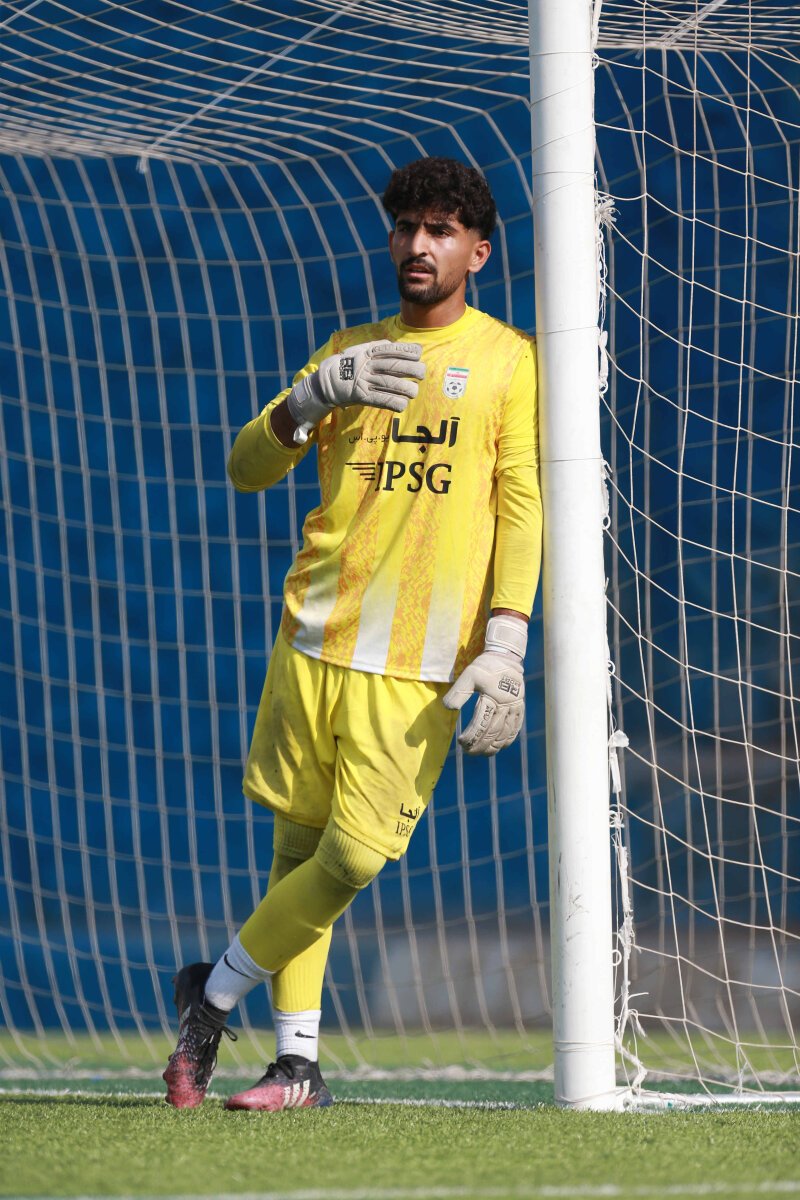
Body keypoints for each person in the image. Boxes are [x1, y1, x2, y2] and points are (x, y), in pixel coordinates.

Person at [163, 156, 542, 1111]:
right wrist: (308, 400)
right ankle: (296, 1064)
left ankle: (213, 995)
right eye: (407, 226)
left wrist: (507, 640)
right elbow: (246, 469)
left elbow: (521, 504)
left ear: (478, 252)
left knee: (354, 858)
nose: (418, 245)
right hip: (313, 639)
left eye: (441, 230)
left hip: (419, 661)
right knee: (297, 855)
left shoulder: (510, 361)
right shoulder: (348, 352)